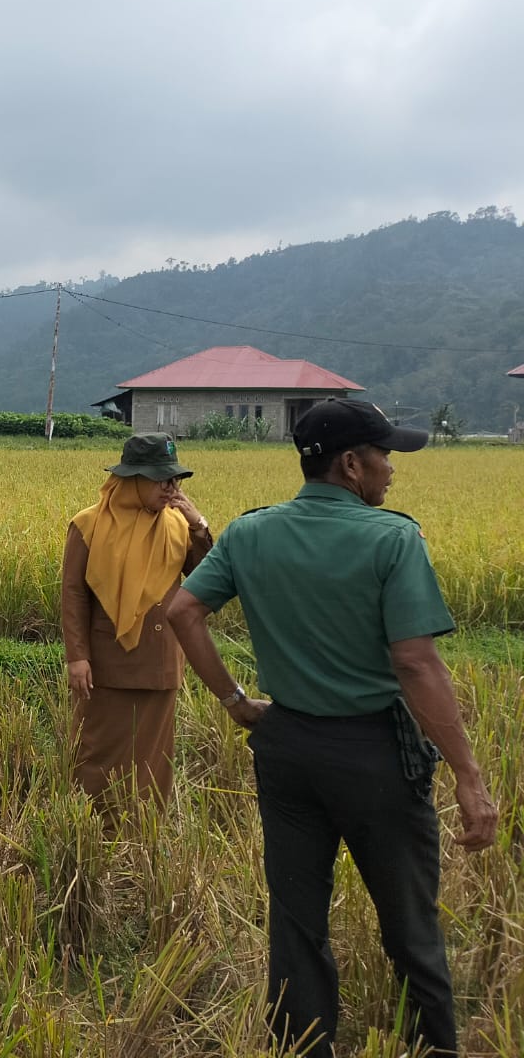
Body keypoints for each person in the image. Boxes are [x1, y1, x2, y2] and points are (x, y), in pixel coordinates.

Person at [167, 399, 498, 1057]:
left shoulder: (250, 532)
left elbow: (180, 611)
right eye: (386, 456)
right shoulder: (392, 539)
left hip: (286, 749)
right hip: (375, 753)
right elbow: (415, 661)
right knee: (410, 929)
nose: (391, 471)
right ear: (352, 463)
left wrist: (236, 701)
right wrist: (468, 774)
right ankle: (431, 1048)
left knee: (296, 926)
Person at [62, 433, 212, 806]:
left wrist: (198, 524)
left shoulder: (178, 525)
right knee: (98, 748)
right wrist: (77, 656)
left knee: (153, 758)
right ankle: (94, 830)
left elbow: (207, 575)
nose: (170, 488)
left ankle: (144, 835)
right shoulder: (87, 525)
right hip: (105, 660)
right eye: (161, 479)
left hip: (159, 658)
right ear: (133, 479)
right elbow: (74, 593)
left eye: (175, 480)